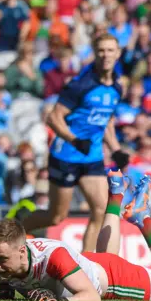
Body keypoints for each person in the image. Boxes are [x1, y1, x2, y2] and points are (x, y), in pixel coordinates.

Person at [0, 170, 151, 301]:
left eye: (1, 259)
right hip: (91, 264)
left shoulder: (52, 257)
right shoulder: (9, 260)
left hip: (114, 278)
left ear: (22, 251)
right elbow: (10, 277)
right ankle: (115, 197)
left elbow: (91, 296)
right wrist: (5, 293)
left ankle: (144, 221)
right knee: (107, 256)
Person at [20, 33, 131, 252]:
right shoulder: (81, 85)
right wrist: (75, 140)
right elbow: (54, 117)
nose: (106, 55)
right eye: (101, 50)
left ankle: (87, 267)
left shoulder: (117, 87)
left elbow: (106, 121)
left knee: (101, 210)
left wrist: (116, 149)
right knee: (56, 217)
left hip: (92, 157)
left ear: (118, 54)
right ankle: (18, 230)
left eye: (110, 50)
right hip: (66, 156)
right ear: (94, 53)